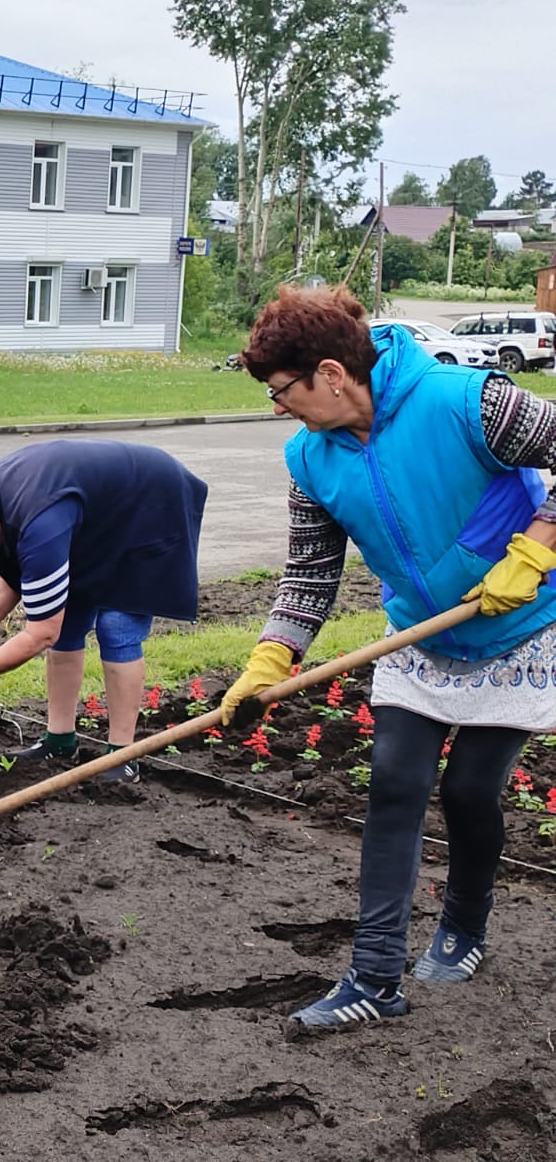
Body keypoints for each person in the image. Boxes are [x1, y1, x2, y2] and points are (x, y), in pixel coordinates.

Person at [221, 284, 556, 1030]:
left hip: (522, 626)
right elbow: (310, 574)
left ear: (333, 374)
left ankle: (465, 924)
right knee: (395, 784)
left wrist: (536, 549)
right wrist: (271, 658)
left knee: (470, 791)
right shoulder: (310, 458)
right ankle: (374, 978)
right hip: (421, 634)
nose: (277, 407)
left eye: (282, 390)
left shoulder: (468, 400)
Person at [0, 440, 208, 781]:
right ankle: (59, 740)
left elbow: (41, 632)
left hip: (151, 505)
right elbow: (19, 568)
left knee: (117, 627)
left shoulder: (40, 518)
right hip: (97, 515)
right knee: (69, 623)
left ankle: (121, 756)